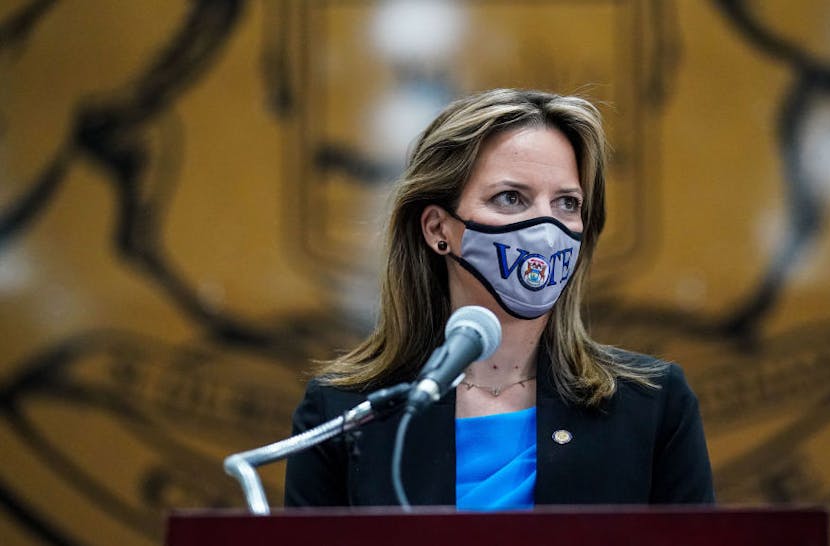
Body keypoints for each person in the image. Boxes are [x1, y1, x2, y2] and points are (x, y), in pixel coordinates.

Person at [284, 88, 714, 509]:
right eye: (511, 198)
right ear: (438, 229)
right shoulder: (343, 413)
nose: (546, 228)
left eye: (567, 203)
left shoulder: (654, 403)